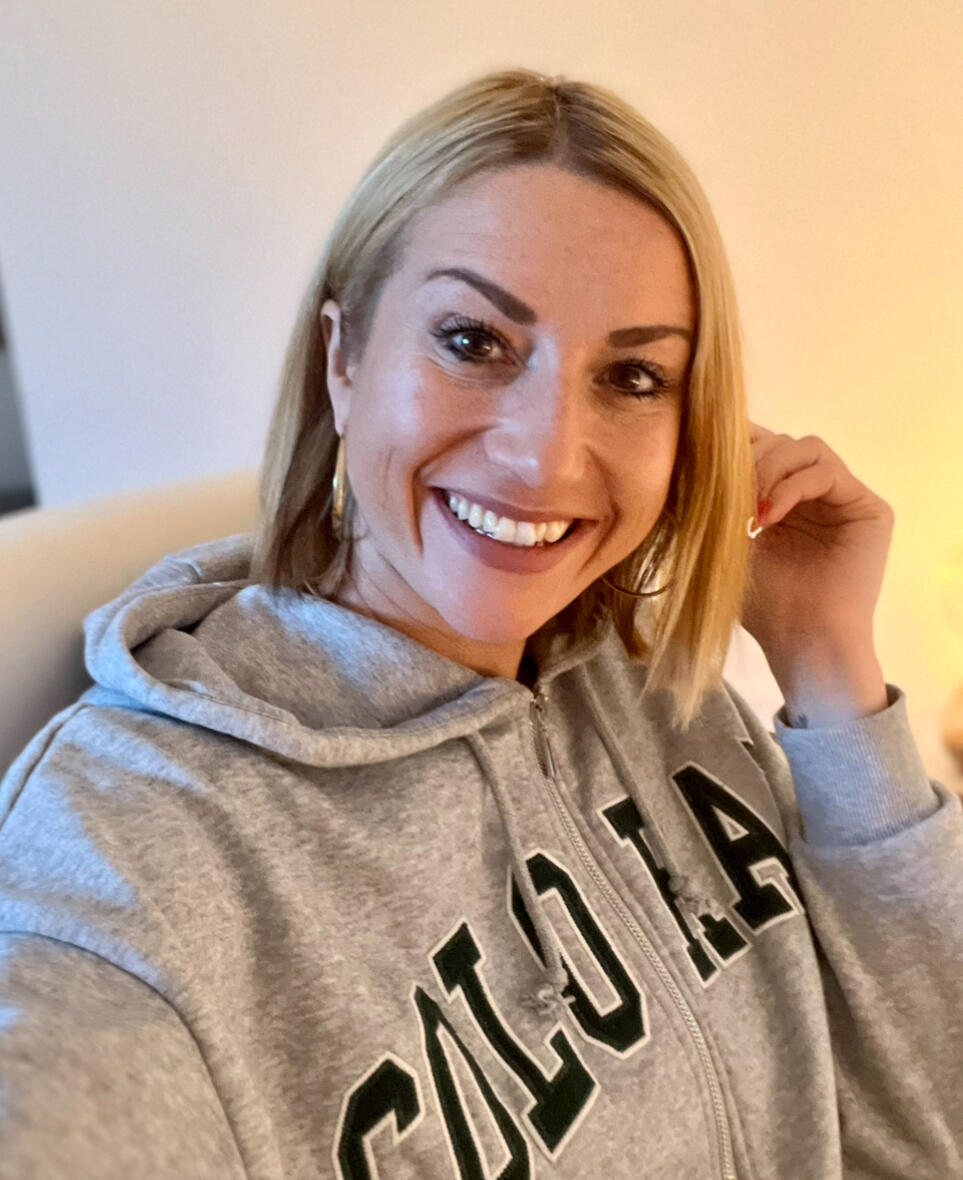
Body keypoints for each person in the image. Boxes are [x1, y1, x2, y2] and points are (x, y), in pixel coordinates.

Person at [0, 67, 960, 1180]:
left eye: (633, 375)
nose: (545, 457)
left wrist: (827, 659)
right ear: (344, 359)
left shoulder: (657, 687)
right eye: (472, 340)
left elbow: (927, 1109)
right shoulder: (137, 842)